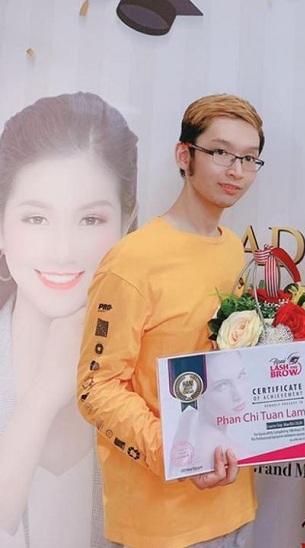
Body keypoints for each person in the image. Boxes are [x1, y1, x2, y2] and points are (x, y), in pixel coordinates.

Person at [76, 93, 265, 548]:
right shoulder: (133, 260)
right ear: (185, 155)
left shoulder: (232, 247)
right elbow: (95, 389)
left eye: (249, 158)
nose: (236, 170)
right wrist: (176, 452)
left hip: (236, 504)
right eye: (220, 152)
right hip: (160, 522)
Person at [0, 92, 138, 548]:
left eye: (90, 219)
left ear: (127, 223)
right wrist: (45, 392)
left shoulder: (149, 364)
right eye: (36, 218)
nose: (62, 251)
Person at [167, 351, 250, 478]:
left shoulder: (189, 424)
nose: (238, 394)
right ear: (198, 394)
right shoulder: (224, 448)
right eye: (221, 386)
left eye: (241, 375)